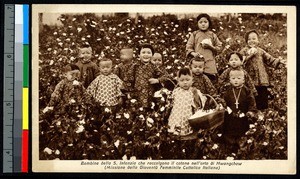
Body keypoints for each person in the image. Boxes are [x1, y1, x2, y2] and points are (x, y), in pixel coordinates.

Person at [240, 30, 286, 110]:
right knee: (251, 96)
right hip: (250, 79)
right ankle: (252, 113)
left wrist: (279, 61)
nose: (252, 41)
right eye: (249, 39)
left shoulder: (261, 51)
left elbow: (270, 59)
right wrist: (249, 55)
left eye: (254, 38)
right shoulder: (244, 51)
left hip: (262, 79)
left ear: (258, 40)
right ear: (246, 41)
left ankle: (263, 114)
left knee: (262, 97)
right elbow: (240, 61)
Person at [221, 69, 256, 152]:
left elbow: (252, 102)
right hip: (230, 116)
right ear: (230, 80)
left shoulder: (246, 90)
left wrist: (251, 111)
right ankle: (230, 145)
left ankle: (242, 145)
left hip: (243, 115)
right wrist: (224, 107)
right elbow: (223, 101)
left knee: (243, 130)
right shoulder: (228, 90)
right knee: (229, 130)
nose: (236, 80)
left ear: (243, 80)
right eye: (233, 78)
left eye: (238, 78)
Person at [168, 67, 206, 136]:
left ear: (192, 80)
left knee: (186, 122)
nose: (185, 82)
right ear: (178, 81)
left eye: (187, 80)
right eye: (182, 80)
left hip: (188, 112)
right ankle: (175, 132)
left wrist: (197, 101)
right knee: (176, 121)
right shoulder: (176, 91)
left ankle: (186, 133)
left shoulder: (194, 91)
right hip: (177, 112)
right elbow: (171, 101)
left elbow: (200, 101)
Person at [186, 13, 223, 84]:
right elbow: (188, 47)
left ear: (209, 23)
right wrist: (194, 54)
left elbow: (219, 47)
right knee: (197, 81)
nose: (203, 24)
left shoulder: (212, 35)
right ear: (197, 24)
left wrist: (210, 47)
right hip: (198, 62)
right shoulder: (194, 34)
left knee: (210, 81)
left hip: (210, 62)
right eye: (201, 22)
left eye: (205, 22)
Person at [131, 44, 167, 109]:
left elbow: (166, 76)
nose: (146, 55)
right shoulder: (135, 66)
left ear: (152, 55)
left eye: (149, 53)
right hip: (137, 95)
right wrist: (129, 92)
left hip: (150, 96)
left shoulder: (154, 66)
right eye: (143, 52)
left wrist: (157, 80)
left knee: (149, 112)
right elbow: (128, 79)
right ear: (139, 55)